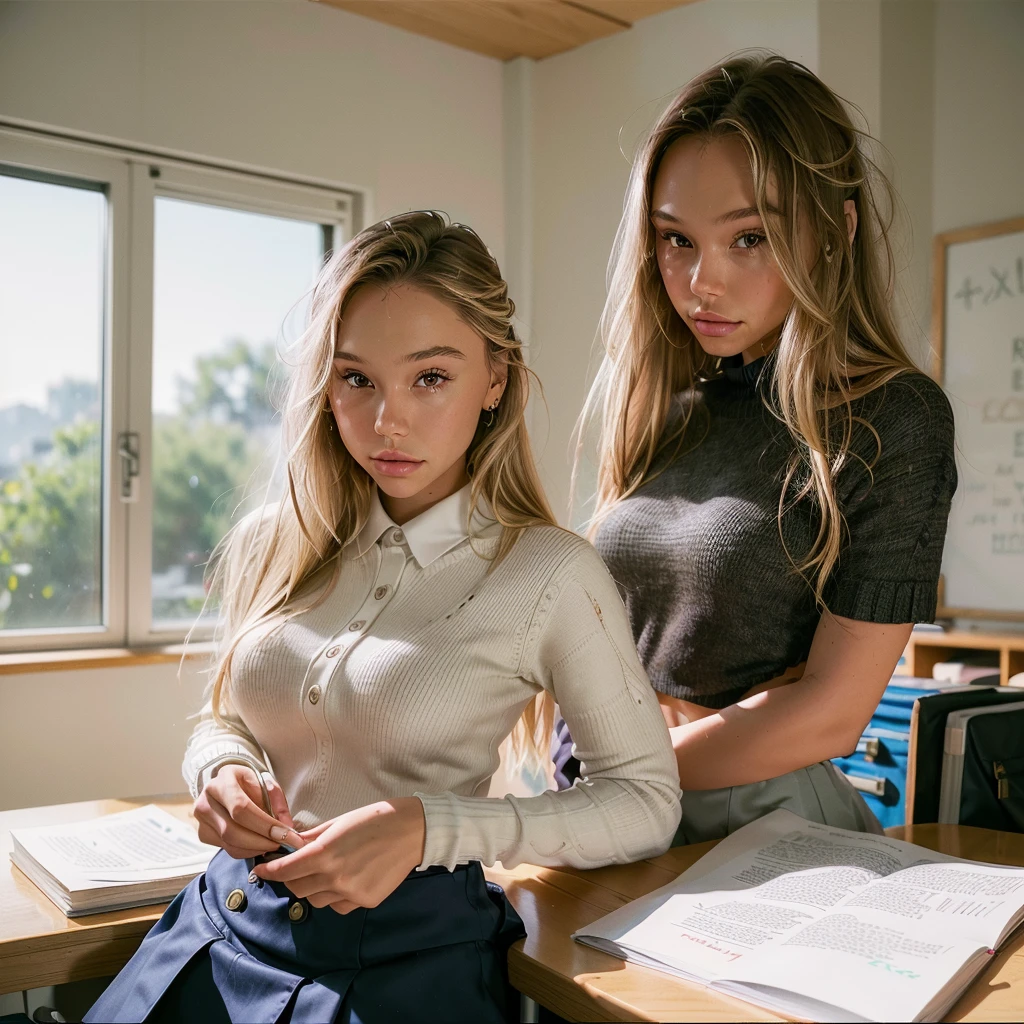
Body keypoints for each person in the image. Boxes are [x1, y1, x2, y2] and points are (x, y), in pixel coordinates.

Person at [84, 212, 680, 1023]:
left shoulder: (553, 574)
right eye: (356, 379)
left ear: (496, 378)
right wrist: (218, 771)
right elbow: (225, 715)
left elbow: (645, 803)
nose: (385, 421)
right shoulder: (277, 540)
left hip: (405, 960)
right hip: (218, 926)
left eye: (430, 377)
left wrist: (427, 827)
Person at [555, 53, 957, 843]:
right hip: (610, 801)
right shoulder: (666, 408)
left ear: (834, 230)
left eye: (750, 238)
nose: (703, 283)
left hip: (752, 818)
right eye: (676, 240)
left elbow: (831, 715)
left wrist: (628, 768)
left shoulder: (892, 418)